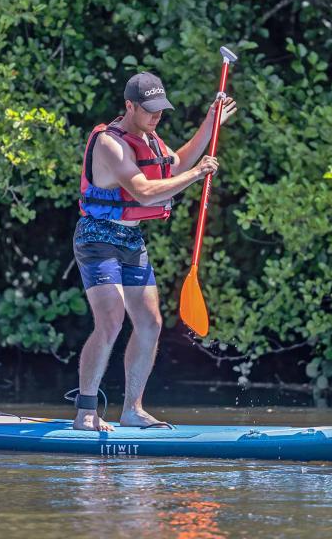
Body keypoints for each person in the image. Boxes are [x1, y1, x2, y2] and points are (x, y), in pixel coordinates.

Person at [72, 71, 237, 431]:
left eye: (160, 110)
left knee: (150, 323)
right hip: (97, 237)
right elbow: (145, 191)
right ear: (129, 106)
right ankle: (85, 410)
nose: (156, 116)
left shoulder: (148, 137)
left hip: (131, 239)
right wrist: (197, 175)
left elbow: (175, 162)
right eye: (149, 110)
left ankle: (132, 409)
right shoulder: (109, 144)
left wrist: (210, 125)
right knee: (111, 319)